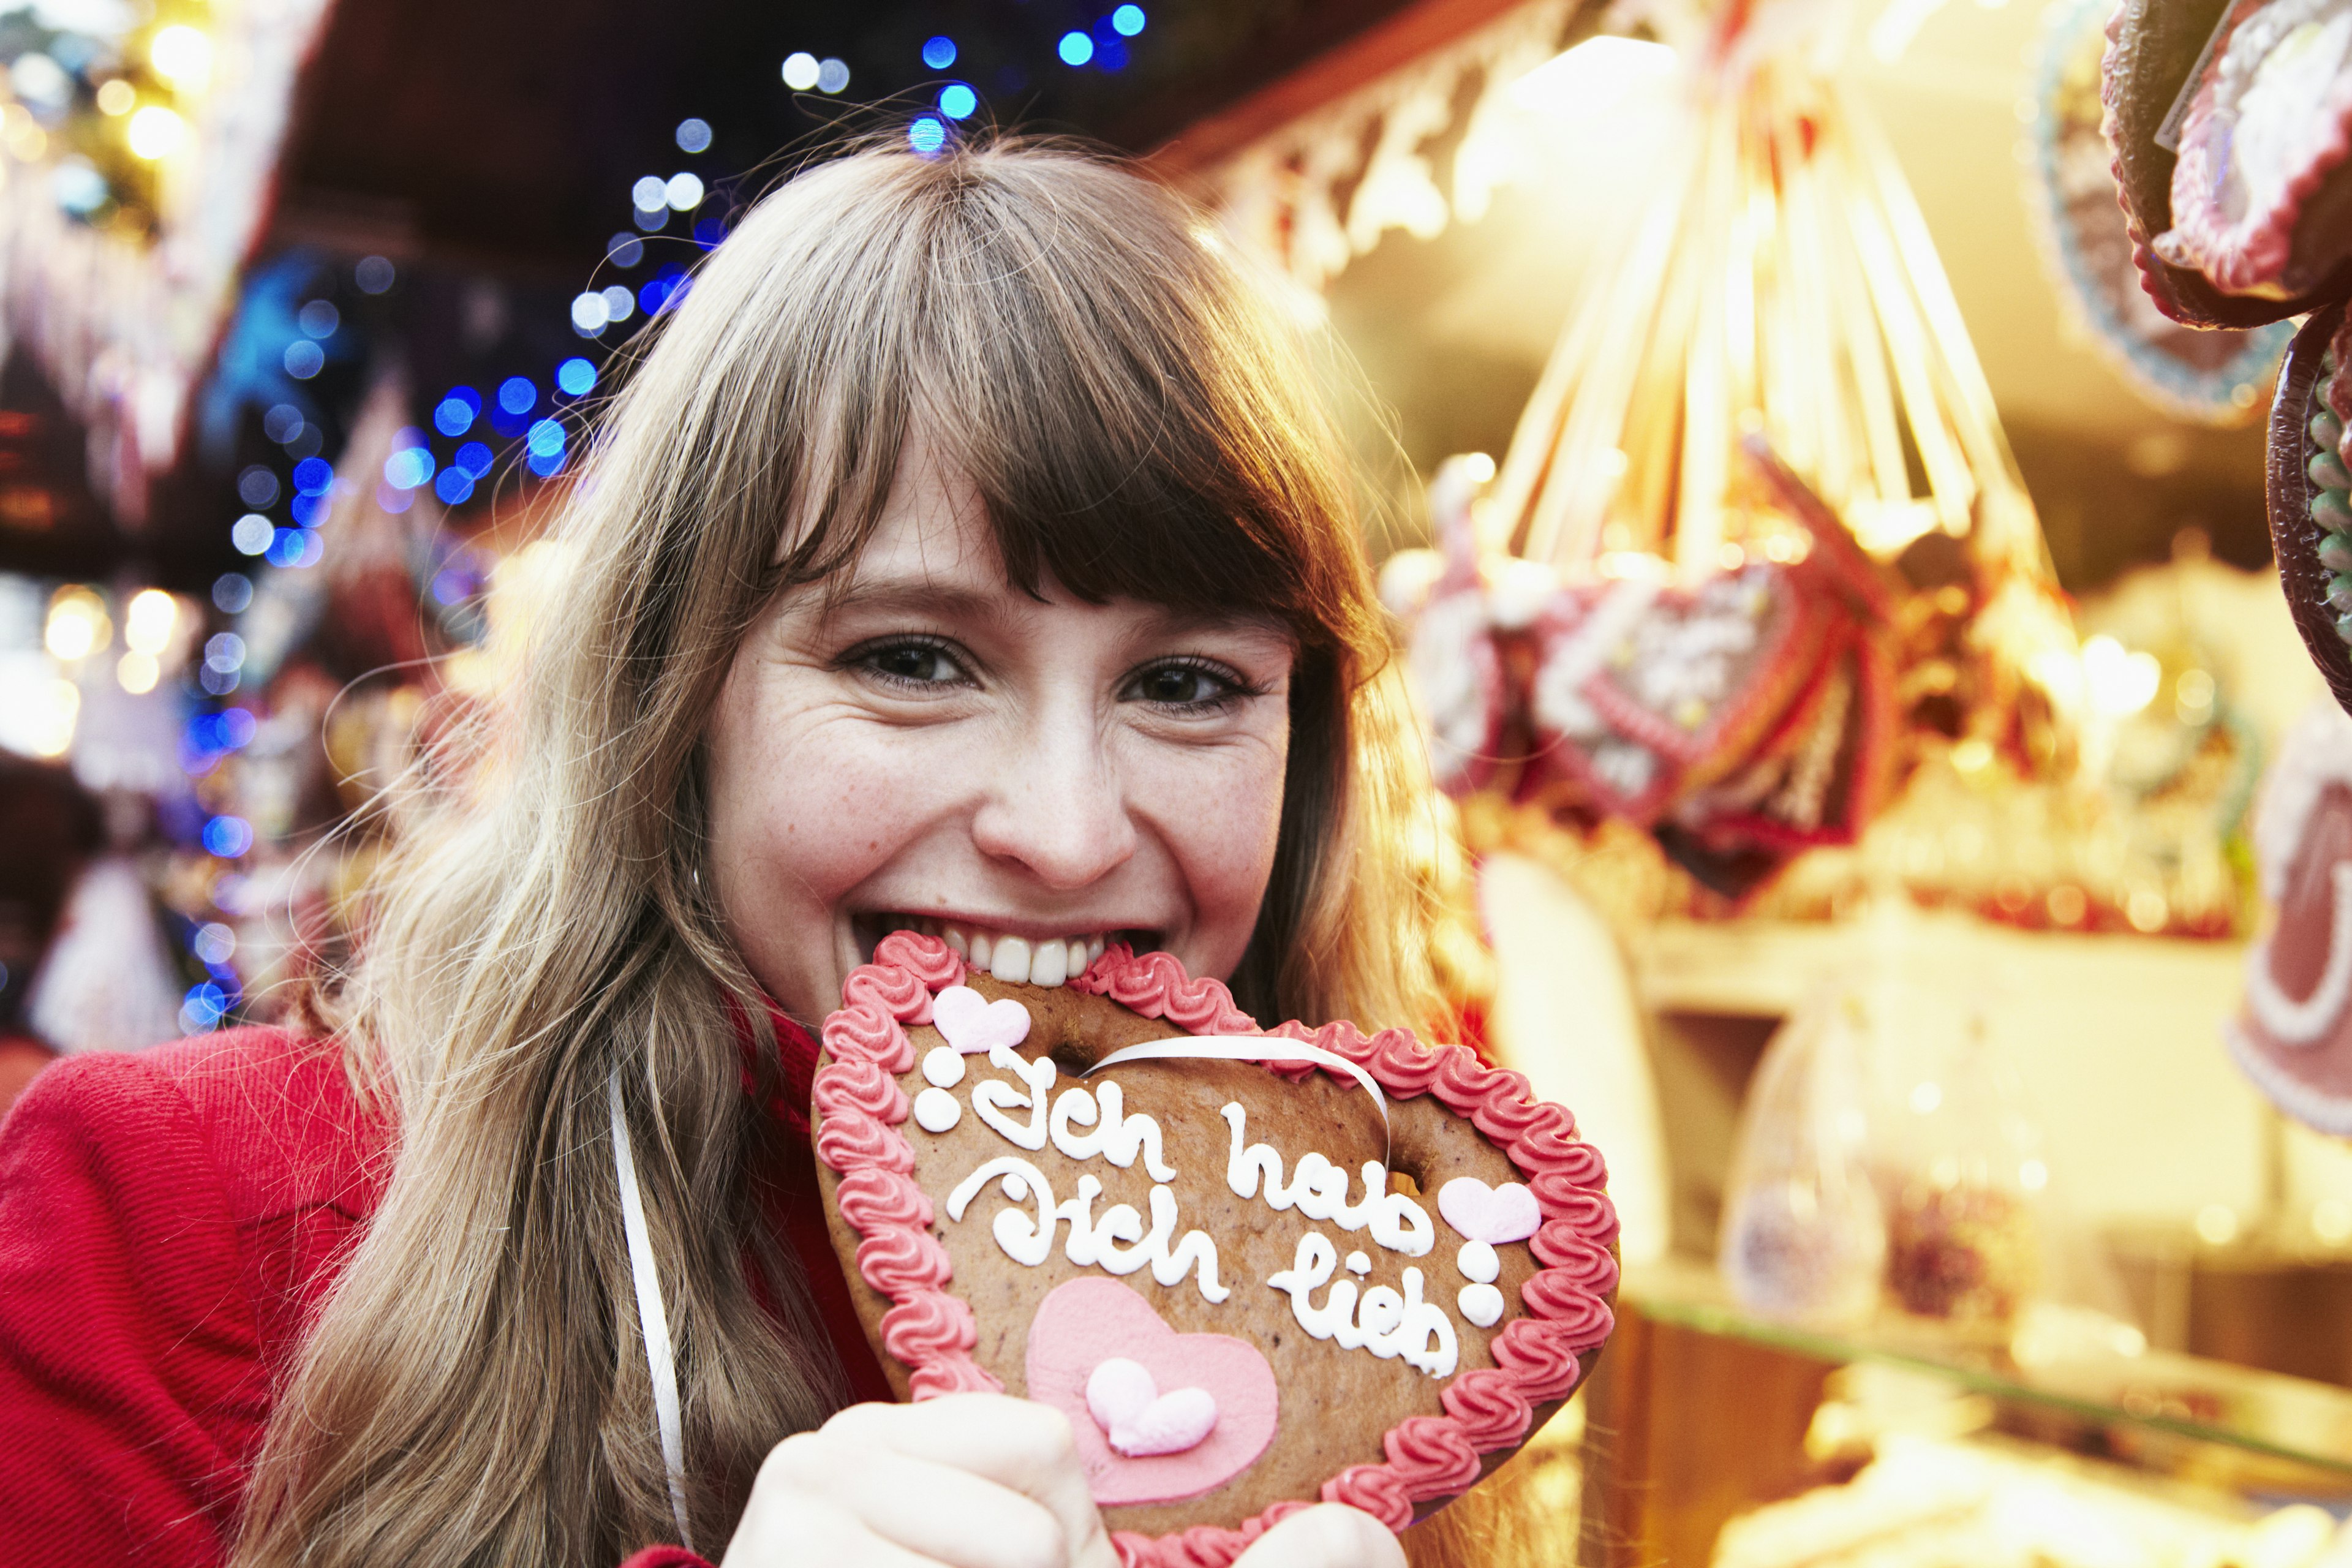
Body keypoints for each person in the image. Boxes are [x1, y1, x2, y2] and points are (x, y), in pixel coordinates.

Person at [0, 140, 1468, 1568]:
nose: (1068, 833)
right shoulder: (184, 1221)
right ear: (673, 697)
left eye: (1189, 684)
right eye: (913, 657)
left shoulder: (1368, 1315)